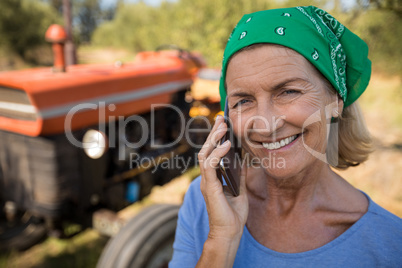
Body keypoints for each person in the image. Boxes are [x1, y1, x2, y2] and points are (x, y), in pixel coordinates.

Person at [170, 6, 402, 267]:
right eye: (244, 100)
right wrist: (222, 238)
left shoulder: (390, 246)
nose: (267, 125)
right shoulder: (204, 204)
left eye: (288, 92)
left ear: (336, 98)